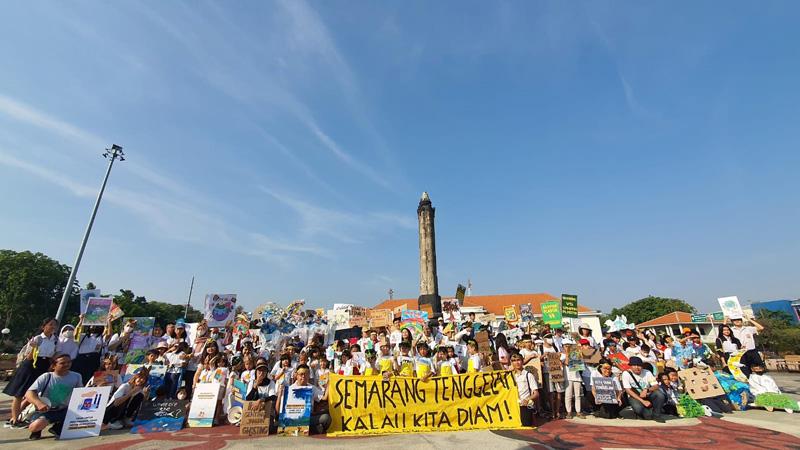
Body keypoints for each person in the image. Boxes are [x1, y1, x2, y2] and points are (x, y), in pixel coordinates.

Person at [4, 317, 59, 428]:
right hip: (31, 365)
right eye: (50, 324)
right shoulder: (37, 339)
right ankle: (14, 418)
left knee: (36, 393)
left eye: (55, 325)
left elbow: (52, 355)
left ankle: (27, 416)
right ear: (43, 326)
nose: (52, 327)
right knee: (20, 393)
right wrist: (34, 348)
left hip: (44, 366)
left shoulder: (55, 340)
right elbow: (29, 357)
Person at [24, 353, 84, 440]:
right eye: (62, 363)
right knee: (35, 426)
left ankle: (57, 428)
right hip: (46, 411)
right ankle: (37, 431)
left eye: (69, 362)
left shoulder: (77, 376)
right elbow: (29, 393)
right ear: (53, 366)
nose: (67, 365)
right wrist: (39, 403)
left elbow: (80, 393)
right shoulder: (46, 376)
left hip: (66, 410)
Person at [276, 364, 330, 435]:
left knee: (326, 417)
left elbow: (325, 397)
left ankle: (313, 428)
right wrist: (280, 394)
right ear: (297, 375)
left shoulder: (312, 388)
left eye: (306, 374)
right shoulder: (289, 389)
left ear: (309, 376)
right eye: (301, 374)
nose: (303, 376)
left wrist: (329, 383)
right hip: (293, 420)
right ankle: (313, 428)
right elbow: (277, 410)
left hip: (308, 419)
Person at [621, 356, 666, 422]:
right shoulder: (626, 374)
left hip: (647, 394)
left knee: (660, 395)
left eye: (639, 365)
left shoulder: (647, 372)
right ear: (630, 366)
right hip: (635, 396)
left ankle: (657, 415)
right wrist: (643, 401)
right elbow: (628, 390)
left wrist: (646, 390)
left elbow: (656, 386)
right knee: (644, 413)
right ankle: (644, 411)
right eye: (634, 365)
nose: (637, 367)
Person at [510, 352, 538, 427]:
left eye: (518, 360)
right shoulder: (510, 376)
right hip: (513, 406)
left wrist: (527, 399)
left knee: (525, 427)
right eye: (514, 360)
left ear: (522, 361)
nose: (516, 362)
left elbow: (536, 393)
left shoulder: (528, 375)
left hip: (525, 406)